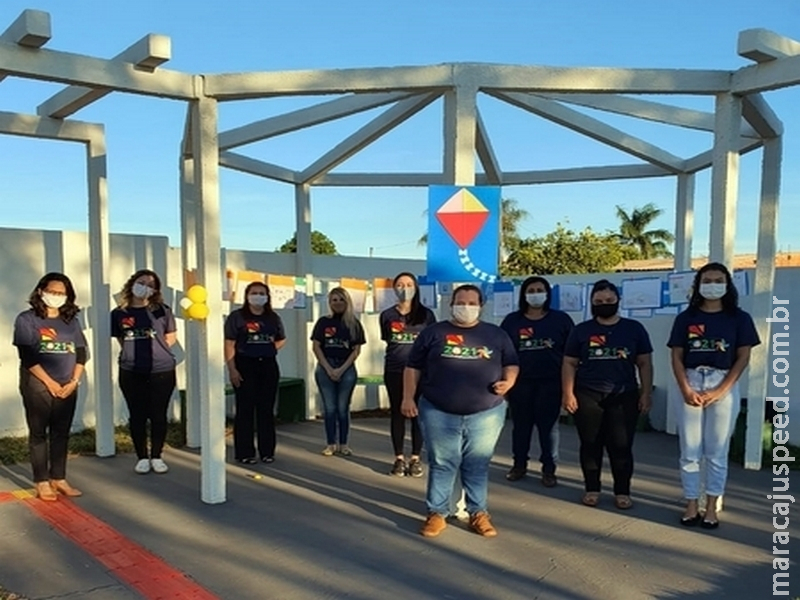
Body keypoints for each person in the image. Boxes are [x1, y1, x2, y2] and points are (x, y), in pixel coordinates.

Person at [402, 284, 519, 538]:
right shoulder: (433, 333)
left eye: (471, 303)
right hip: (438, 410)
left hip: (486, 412)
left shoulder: (496, 335)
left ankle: (478, 513)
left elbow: (511, 363)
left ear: (481, 306)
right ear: (451, 304)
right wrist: (408, 398)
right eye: (460, 302)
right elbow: (413, 367)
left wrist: (509, 381)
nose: (465, 307)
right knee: (443, 463)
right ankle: (436, 513)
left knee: (477, 464)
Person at [668, 263, 760, 529]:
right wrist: (685, 388)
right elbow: (676, 354)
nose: (712, 285)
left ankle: (711, 506)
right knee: (690, 450)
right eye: (706, 280)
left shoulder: (739, 318)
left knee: (717, 450)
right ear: (698, 285)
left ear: (727, 284)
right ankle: (691, 504)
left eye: (718, 280)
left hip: (723, 380)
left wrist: (722, 389)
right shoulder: (686, 318)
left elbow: (743, 357)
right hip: (691, 379)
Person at [562, 279, 652, 510]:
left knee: (621, 445)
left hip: (624, 394)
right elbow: (570, 363)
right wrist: (568, 393)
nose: (604, 304)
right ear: (592, 302)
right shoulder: (581, 330)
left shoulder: (634, 329)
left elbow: (644, 363)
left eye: (609, 300)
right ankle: (592, 488)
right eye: (599, 301)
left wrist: (645, 393)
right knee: (590, 444)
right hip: (588, 394)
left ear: (618, 301)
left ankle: (622, 491)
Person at [13, 273, 88, 501]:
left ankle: (59, 478)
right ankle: (42, 481)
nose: (56, 296)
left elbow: (82, 353)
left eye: (61, 293)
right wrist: (51, 383)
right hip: (38, 385)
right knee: (38, 434)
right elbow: (27, 356)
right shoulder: (27, 319)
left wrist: (74, 381)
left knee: (61, 433)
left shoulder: (70, 321)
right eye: (52, 292)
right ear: (40, 291)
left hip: (68, 384)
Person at [501, 276, 574, 487]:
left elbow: (572, 354)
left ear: (547, 293)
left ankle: (549, 470)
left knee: (549, 429)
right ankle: (519, 465)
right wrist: (505, 382)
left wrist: (568, 387)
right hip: (520, 383)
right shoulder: (512, 321)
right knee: (521, 427)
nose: (535, 294)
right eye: (531, 290)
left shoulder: (561, 320)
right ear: (524, 295)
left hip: (551, 382)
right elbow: (503, 353)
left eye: (539, 290)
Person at [111, 269, 177, 474]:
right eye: (142, 282)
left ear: (155, 290)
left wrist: (158, 352)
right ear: (132, 284)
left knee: (158, 415)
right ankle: (141, 457)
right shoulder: (119, 313)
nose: (145, 287)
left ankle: (157, 456)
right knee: (137, 415)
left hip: (162, 370)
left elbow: (170, 337)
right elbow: (121, 338)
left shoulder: (162, 310)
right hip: (131, 371)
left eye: (150, 284)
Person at [379, 272, 436, 477]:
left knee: (417, 414)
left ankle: (415, 458)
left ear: (416, 287)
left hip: (421, 372)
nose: (405, 288)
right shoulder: (387, 315)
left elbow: (432, 343)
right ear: (394, 288)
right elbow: (388, 340)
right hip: (394, 370)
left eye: (409, 284)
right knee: (397, 413)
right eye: (401, 285)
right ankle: (398, 459)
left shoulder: (427, 315)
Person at [224, 281, 286, 464]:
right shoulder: (237, 317)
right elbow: (229, 344)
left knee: (266, 410)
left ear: (267, 297)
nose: (258, 296)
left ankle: (267, 452)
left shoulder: (273, 318)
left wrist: (267, 350)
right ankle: (245, 453)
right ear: (247, 295)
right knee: (245, 410)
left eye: (262, 293)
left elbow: (281, 339)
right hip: (244, 366)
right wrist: (232, 369)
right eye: (254, 293)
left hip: (267, 366)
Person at [311, 287, 366, 457]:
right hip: (325, 367)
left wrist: (341, 369)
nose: (338, 303)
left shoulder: (353, 323)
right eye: (334, 300)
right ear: (329, 303)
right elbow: (316, 346)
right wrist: (328, 368)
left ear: (347, 301)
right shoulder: (323, 322)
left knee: (343, 408)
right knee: (329, 408)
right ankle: (330, 444)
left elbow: (356, 350)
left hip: (346, 368)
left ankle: (344, 443)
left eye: (341, 299)